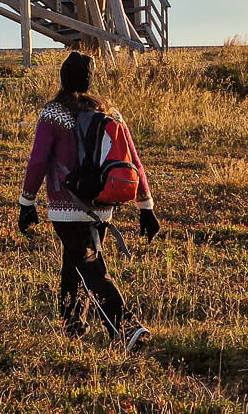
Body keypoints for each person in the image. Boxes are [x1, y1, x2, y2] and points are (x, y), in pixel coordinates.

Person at [18, 51, 160, 350]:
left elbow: (38, 161)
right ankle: (72, 329)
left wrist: (26, 202)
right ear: (89, 79)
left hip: (66, 208)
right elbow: (134, 160)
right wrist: (145, 207)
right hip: (103, 203)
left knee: (89, 266)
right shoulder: (110, 112)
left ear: (61, 78)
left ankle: (126, 328)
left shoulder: (53, 113)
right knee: (75, 265)